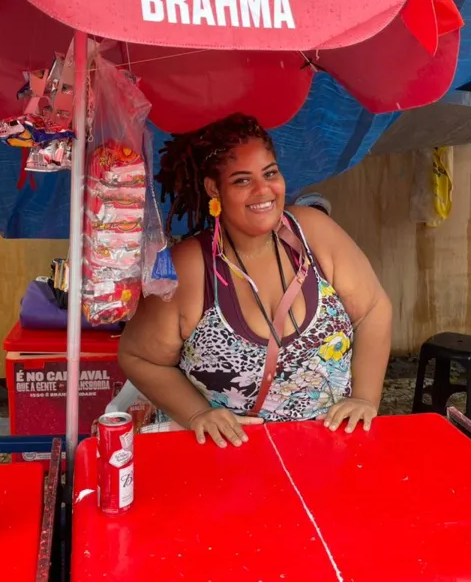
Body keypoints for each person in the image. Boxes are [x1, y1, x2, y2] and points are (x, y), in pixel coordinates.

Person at [119, 114, 392, 448]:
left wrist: (364, 398)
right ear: (213, 189)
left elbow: (373, 310)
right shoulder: (191, 269)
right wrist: (197, 415)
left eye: (270, 173)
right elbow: (138, 356)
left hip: (329, 453)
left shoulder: (314, 233)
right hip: (229, 465)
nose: (264, 190)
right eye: (242, 180)